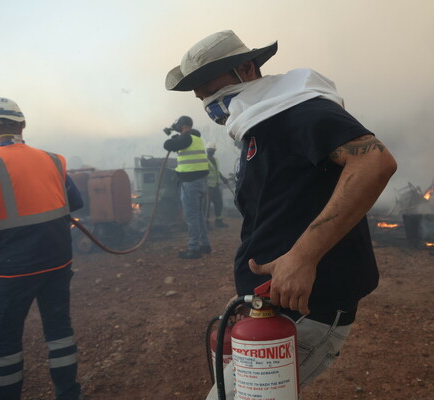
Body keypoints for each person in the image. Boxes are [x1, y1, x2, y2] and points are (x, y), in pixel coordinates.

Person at [165, 30, 398, 398]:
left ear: (246, 68)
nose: (201, 97)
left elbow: (374, 162)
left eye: (206, 84)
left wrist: (303, 257)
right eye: (196, 90)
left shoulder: (296, 108)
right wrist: (252, 299)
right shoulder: (261, 121)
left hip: (309, 308)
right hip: (273, 307)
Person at [0, 98, 84, 400]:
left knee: (3, 341)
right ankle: (69, 393)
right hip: (57, 262)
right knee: (59, 330)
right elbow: (75, 203)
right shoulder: (53, 159)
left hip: (10, 271)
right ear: (22, 125)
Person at [163, 115, 211, 259]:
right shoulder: (196, 138)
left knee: (191, 217)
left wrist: (173, 136)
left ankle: (194, 248)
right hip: (201, 182)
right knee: (199, 216)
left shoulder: (186, 138)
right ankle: (205, 245)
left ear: (183, 127)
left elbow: (167, 145)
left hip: (190, 183)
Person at [205, 141, 229, 228]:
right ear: (207, 150)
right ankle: (206, 222)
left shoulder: (216, 160)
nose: (211, 151)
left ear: (214, 151)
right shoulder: (204, 160)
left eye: (213, 150)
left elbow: (216, 170)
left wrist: (223, 178)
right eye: (210, 149)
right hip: (208, 186)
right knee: (206, 205)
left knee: (219, 203)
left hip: (216, 185)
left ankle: (218, 221)